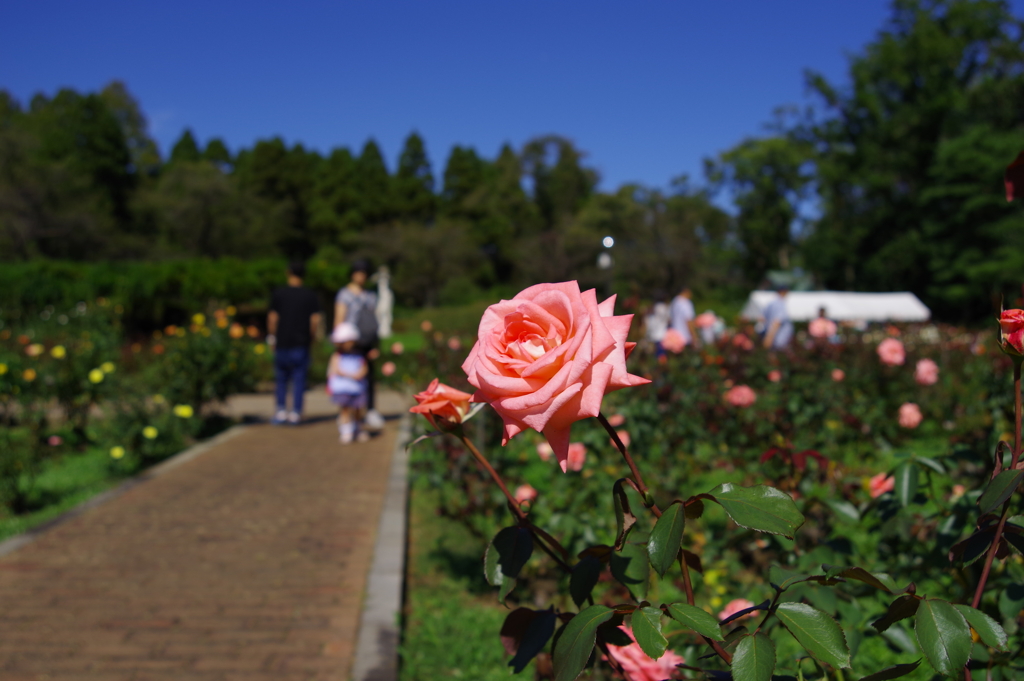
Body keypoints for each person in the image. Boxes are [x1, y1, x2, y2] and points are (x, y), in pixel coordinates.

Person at [267, 261, 322, 424]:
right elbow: (315, 320)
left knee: (281, 377)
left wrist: (272, 337)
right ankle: (296, 412)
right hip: (301, 342)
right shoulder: (310, 295)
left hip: (282, 341)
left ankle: (281, 410)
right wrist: (311, 337)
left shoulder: (279, 294)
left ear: (288, 272)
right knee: (299, 378)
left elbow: (272, 318)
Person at [334, 259, 383, 431]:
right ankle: (346, 413)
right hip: (350, 343)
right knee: (349, 379)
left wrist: (376, 344)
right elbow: (339, 319)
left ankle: (369, 409)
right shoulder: (344, 294)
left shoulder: (370, 295)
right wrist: (339, 343)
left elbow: (375, 319)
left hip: (368, 341)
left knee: (368, 378)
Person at [327, 323, 369, 444]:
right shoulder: (337, 355)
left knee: (358, 409)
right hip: (343, 388)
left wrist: (359, 374)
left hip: (357, 387)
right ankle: (346, 431)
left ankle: (357, 429)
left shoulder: (359, 355)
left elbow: (364, 368)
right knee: (344, 410)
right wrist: (351, 375)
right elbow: (335, 369)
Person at [762, 286, 793, 350]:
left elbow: (762, 318)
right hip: (778, 341)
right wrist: (769, 338)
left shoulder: (771, 303)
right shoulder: (779, 303)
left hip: (774, 339)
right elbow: (777, 321)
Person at [670, 285, 700, 350]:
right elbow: (688, 320)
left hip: (674, 337)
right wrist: (694, 336)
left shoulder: (674, 302)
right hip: (685, 337)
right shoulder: (686, 303)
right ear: (686, 291)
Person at [644, 289, 671, 358]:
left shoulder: (652, 307)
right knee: (661, 356)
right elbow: (669, 320)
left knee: (654, 356)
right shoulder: (664, 307)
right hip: (662, 335)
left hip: (652, 335)